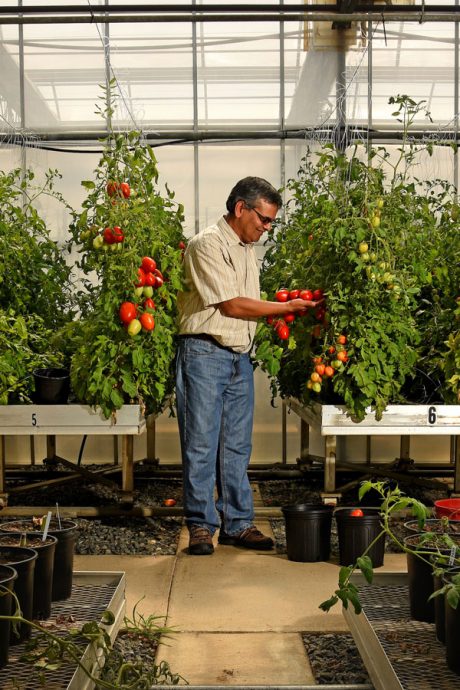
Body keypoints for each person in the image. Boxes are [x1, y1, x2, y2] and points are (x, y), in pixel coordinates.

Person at [176, 176, 322, 555]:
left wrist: (282, 305)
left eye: (272, 222)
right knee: (201, 444)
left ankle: (237, 524)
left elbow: (247, 306)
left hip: (238, 356)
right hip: (204, 353)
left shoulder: (245, 249)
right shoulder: (206, 244)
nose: (267, 228)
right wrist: (286, 307)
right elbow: (231, 305)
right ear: (241, 208)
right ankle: (201, 525)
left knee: (237, 446)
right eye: (264, 219)